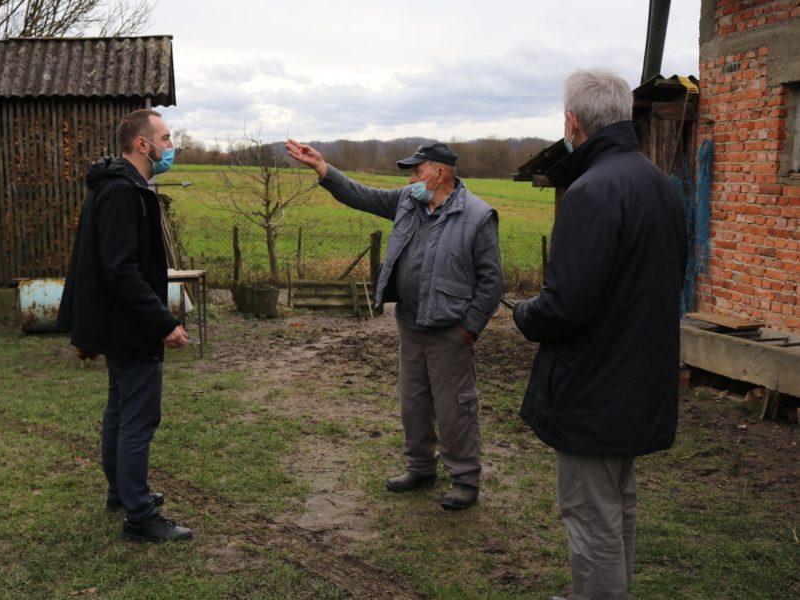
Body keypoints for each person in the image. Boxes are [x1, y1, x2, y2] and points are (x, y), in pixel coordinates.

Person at [512, 69, 687, 598]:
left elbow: (567, 307)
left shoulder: (590, 191)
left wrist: (525, 314)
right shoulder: (660, 184)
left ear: (572, 121)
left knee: (591, 518)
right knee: (618, 509)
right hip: (638, 381)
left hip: (595, 388)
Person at [286, 139, 503, 510]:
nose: (410, 180)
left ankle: (465, 479)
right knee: (413, 404)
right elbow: (360, 195)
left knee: (455, 407)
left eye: (417, 172)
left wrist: (470, 328)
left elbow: (491, 282)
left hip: (451, 330)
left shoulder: (479, 216)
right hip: (410, 324)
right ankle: (421, 467)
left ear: (440, 173)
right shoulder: (407, 203)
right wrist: (322, 167)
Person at [58, 109, 192, 543]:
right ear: (142, 145)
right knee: (137, 418)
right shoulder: (122, 192)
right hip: (131, 325)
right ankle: (140, 516)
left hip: (119, 323)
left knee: (119, 412)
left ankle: (122, 492)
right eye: (166, 138)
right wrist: (163, 322)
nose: (170, 146)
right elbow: (121, 269)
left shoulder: (121, 186)